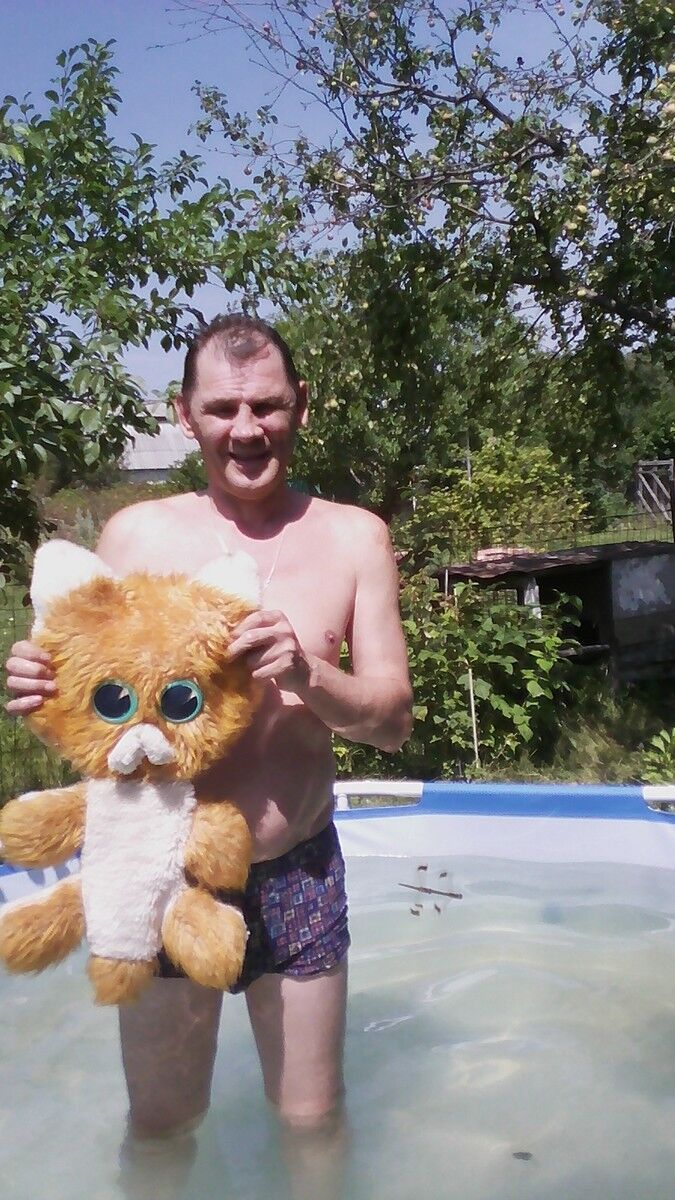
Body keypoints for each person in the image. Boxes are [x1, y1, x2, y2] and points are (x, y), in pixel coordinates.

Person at [5, 314, 412, 1174]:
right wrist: (40, 689)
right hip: (157, 870)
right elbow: (94, 711)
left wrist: (305, 671)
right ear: (185, 414)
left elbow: (391, 721)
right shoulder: (135, 537)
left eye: (267, 405)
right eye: (223, 408)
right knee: (163, 1123)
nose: (247, 429)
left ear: (301, 405)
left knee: (312, 1119)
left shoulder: (354, 539)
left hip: (298, 871)